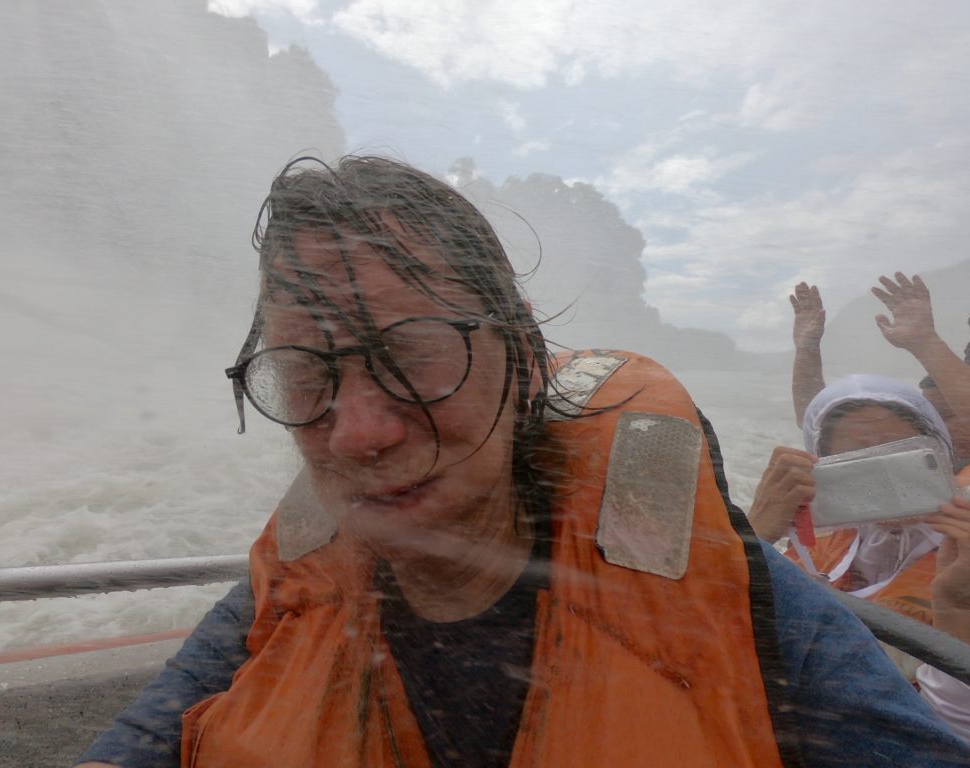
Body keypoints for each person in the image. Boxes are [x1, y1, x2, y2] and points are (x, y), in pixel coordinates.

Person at [77, 156, 970, 767]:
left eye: (415, 354)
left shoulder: (744, 605)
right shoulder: (281, 595)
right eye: (305, 374)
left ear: (524, 355)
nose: (356, 433)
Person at [748, 374, 970, 738]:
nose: (884, 473)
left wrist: (959, 610)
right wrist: (754, 535)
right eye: (857, 457)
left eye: (899, 450)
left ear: (938, 451)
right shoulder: (811, 544)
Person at [790, 274, 970, 468]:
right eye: (935, 415)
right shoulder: (911, 465)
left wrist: (926, 342)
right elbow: (816, 420)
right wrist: (806, 349)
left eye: (952, 414)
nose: (941, 426)